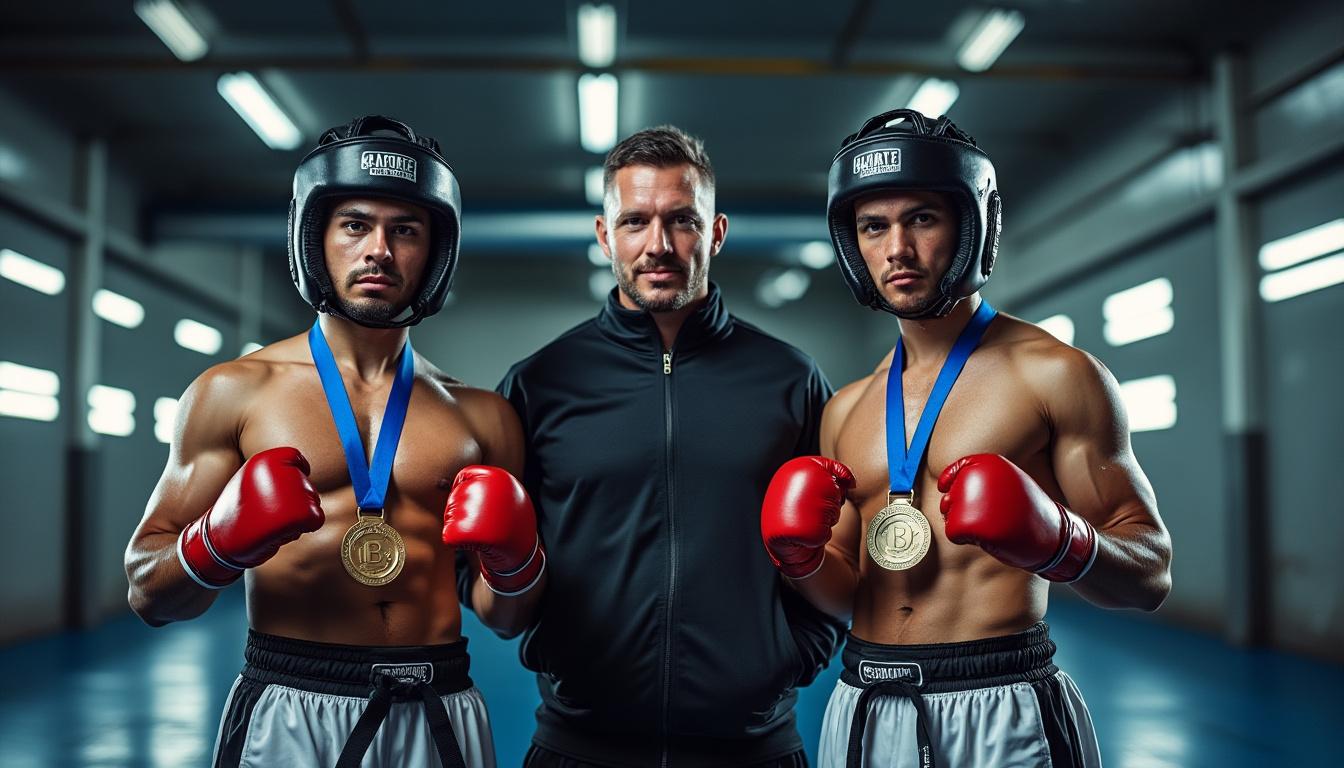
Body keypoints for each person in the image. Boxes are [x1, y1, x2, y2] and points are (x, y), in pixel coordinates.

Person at [124, 115, 545, 768]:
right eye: (355, 225)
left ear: (434, 251)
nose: (379, 250)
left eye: (405, 230)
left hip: (438, 704)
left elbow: (507, 618)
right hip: (291, 702)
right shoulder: (235, 391)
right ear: (314, 237)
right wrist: (215, 542)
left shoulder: (484, 417)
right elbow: (149, 592)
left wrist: (517, 561)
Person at [760, 109, 1174, 767]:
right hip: (865, 703)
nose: (897, 248)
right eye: (874, 226)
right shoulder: (846, 409)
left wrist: (1060, 541)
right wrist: (801, 559)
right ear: (853, 245)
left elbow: (1151, 572)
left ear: (972, 225)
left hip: (1000, 704)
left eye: (922, 218)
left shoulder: (1054, 374)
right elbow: (846, 597)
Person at [460, 126, 844, 767]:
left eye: (682, 221)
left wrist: (790, 654)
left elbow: (841, 559)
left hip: (753, 749)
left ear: (716, 232)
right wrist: (507, 566)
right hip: (578, 746)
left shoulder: (790, 379)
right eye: (635, 221)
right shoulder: (540, 383)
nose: (658, 245)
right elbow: (497, 613)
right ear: (606, 235)